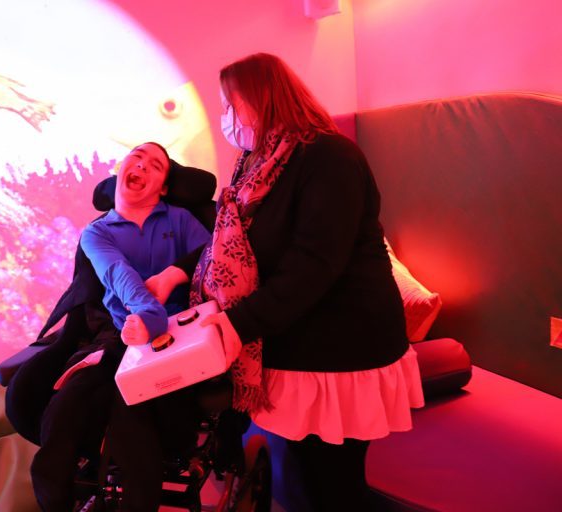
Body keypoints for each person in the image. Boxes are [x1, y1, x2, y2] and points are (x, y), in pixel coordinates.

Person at [146, 53, 425, 511]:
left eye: (229, 105)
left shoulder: (328, 157)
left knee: (334, 484)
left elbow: (313, 266)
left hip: (344, 348)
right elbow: (226, 238)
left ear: (261, 100)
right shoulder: (254, 164)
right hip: (297, 340)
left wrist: (237, 323)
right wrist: (177, 271)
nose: (226, 119)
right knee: (305, 476)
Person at [18, 142, 210, 511]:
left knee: (131, 417)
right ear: (121, 169)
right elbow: (119, 277)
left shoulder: (179, 220)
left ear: (164, 187)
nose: (141, 165)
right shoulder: (97, 233)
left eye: (155, 165)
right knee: (64, 409)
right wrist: (144, 316)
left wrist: (167, 290)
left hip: (174, 335)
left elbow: (212, 253)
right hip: (119, 335)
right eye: (136, 157)